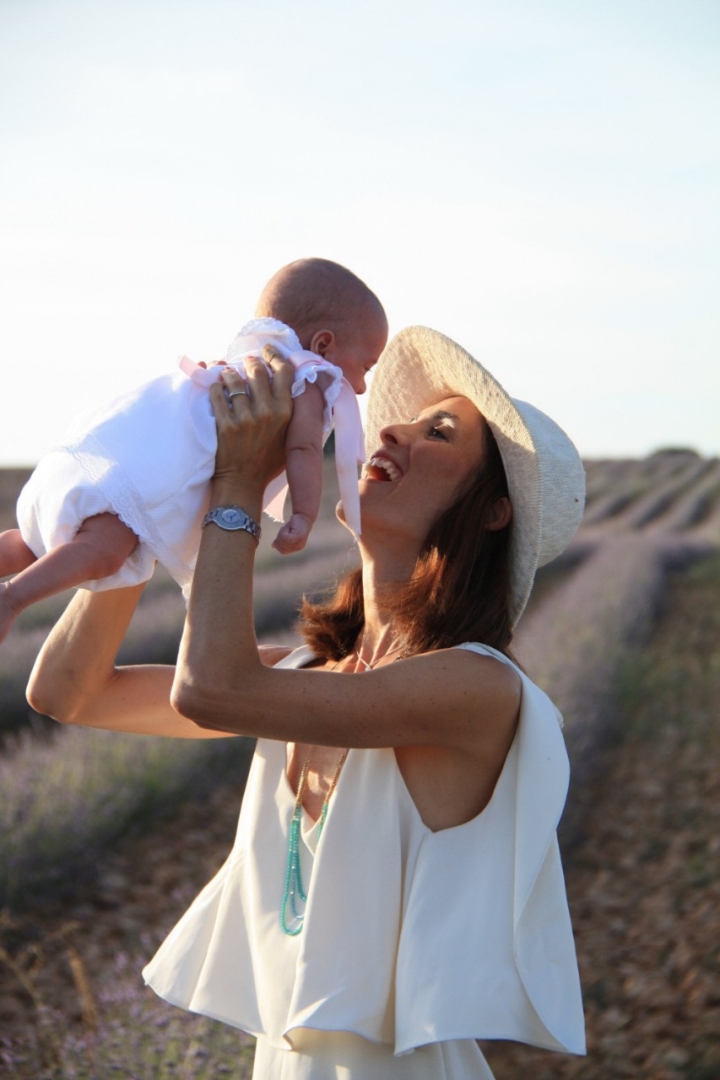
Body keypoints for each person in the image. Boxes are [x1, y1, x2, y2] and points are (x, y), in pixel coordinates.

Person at [28, 325, 587, 1079]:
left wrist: (234, 485)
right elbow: (69, 691)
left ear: (492, 511)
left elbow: (211, 689)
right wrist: (138, 516)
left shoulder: (478, 688)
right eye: (406, 421)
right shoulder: (310, 672)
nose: (393, 430)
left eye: (438, 433)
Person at [0, 258, 388, 643]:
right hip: (143, 480)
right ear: (323, 345)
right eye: (366, 368)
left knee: (32, 543)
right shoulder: (306, 378)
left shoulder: (243, 359)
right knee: (103, 551)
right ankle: (11, 599)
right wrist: (303, 515)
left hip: (107, 450)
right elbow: (304, 449)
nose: (361, 388)